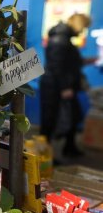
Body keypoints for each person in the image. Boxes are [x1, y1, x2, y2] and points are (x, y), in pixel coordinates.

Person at [39, 13, 96, 158]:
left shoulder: (64, 38)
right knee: (49, 122)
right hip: (55, 87)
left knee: (74, 116)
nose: (82, 31)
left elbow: (68, 62)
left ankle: (69, 148)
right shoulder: (60, 38)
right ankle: (44, 156)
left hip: (59, 85)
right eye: (83, 28)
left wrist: (88, 60)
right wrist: (65, 87)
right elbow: (56, 65)